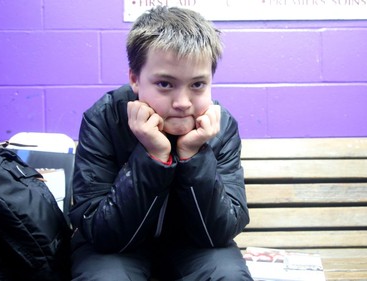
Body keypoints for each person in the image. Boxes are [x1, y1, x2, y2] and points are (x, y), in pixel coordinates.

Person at [69, 6, 252, 281]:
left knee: (228, 276)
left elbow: (218, 233)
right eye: (165, 84)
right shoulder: (104, 119)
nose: (182, 103)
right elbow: (100, 233)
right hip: (117, 249)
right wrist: (153, 155)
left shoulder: (222, 126)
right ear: (135, 79)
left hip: (194, 247)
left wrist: (194, 154)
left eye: (198, 85)